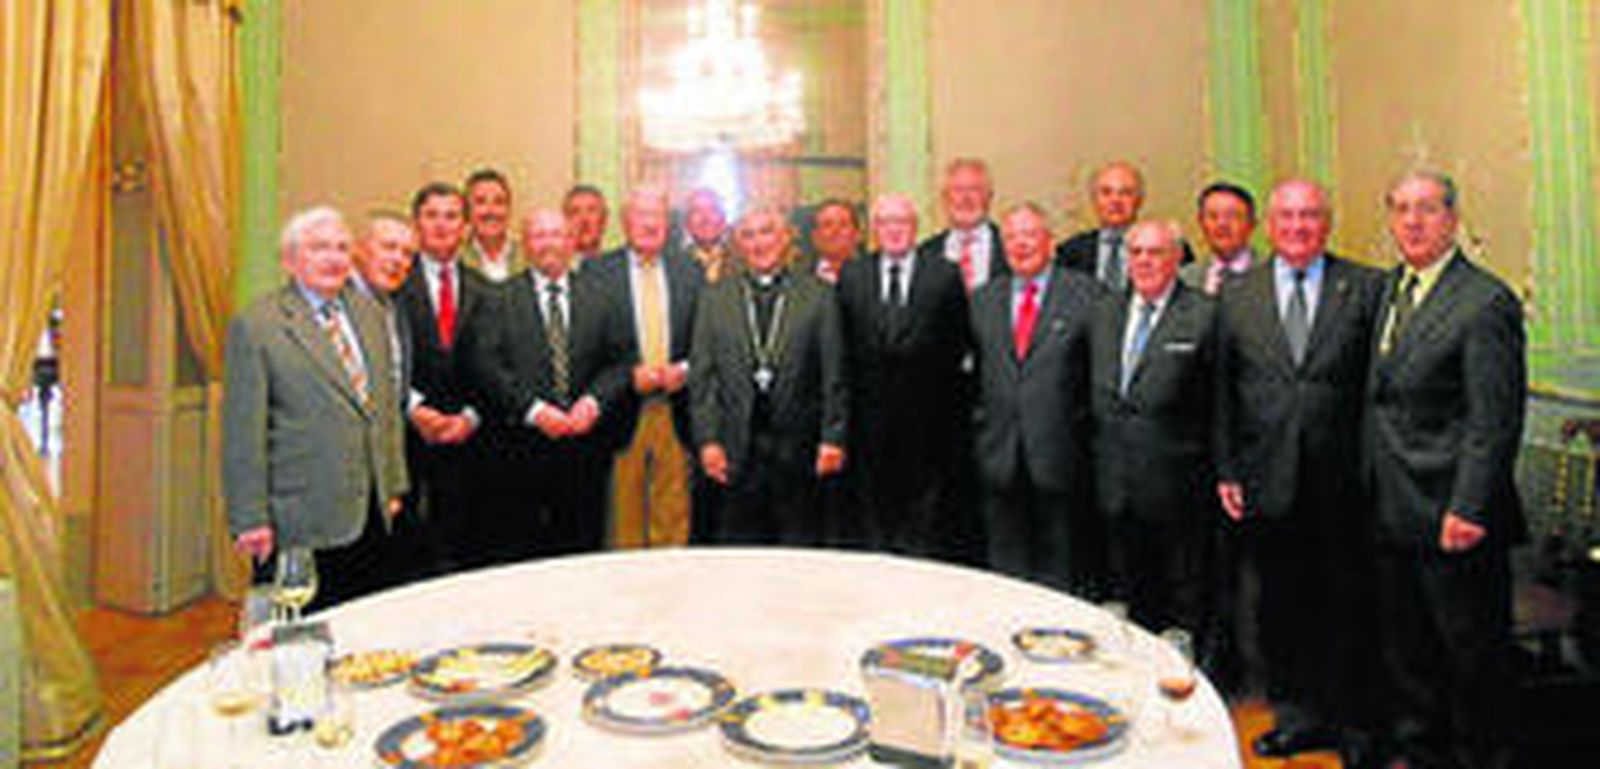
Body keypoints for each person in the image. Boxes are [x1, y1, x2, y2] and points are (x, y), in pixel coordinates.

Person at [1215, 179, 1384, 762]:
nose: (1297, 227)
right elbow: (1224, 390)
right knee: (1281, 609)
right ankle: (1297, 716)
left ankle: (1357, 726)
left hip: (1344, 482)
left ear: (1327, 223)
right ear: (1269, 226)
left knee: (1349, 606)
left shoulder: (1366, 288)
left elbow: (1377, 390)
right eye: (1286, 216)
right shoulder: (1238, 294)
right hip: (1267, 480)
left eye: (1309, 215)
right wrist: (1228, 469)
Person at [1363, 172, 1525, 769]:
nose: (1412, 221)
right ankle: (1422, 753)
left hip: (1453, 514)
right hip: (1391, 506)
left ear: (1453, 219)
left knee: (1471, 658)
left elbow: (1494, 418)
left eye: (1427, 209)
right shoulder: (1389, 288)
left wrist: (1470, 507)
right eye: (1401, 209)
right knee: (1409, 654)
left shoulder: (1485, 300)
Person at [223, 207, 407, 612]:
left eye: (342, 248)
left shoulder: (371, 315)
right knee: (303, 635)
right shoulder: (258, 326)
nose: (333, 258)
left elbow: (385, 410)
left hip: (371, 512)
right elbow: (242, 434)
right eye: (319, 248)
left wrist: (393, 484)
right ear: (289, 260)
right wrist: (249, 518)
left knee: (367, 628)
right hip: (299, 520)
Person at [465, 209, 631, 559]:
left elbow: (621, 361)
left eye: (557, 234)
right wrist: (534, 411)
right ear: (525, 244)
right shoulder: (498, 298)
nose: (549, 244)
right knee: (526, 551)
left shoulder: (601, 296)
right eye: (539, 236)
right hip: (521, 450)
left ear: (571, 242)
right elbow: (486, 366)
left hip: (586, 449)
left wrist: (594, 402)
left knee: (582, 548)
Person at [691, 204, 847, 545]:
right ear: (738, 244)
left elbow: (834, 374)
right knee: (740, 551)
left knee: (799, 549)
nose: (759, 243)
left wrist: (833, 438)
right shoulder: (715, 297)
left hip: (800, 448)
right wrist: (708, 441)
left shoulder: (819, 295)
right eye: (748, 235)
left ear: (786, 237)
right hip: (735, 449)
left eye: (767, 232)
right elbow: (703, 379)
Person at [1089, 220, 1217, 631]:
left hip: (1178, 486)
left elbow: (1221, 404)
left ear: (1177, 259)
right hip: (1113, 481)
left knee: (1183, 597)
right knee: (1126, 593)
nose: (1144, 261)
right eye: (1136, 252)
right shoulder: (1103, 311)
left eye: (1155, 252)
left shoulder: (1206, 315)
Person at [970, 203, 1095, 592]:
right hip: (998, 454)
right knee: (1005, 573)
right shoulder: (982, 300)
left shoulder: (1086, 295)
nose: (1020, 244)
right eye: (1011, 237)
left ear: (1051, 243)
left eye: (1030, 235)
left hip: (1061, 456)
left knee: (1061, 573)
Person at [837, 194, 968, 556]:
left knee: (923, 515)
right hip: (867, 421)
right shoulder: (853, 274)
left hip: (928, 422)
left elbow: (958, 344)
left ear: (915, 227)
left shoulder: (944, 274)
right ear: (874, 229)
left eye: (902, 222)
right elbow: (843, 346)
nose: (894, 230)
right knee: (872, 514)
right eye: (885, 222)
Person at [588, 187, 704, 548]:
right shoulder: (597, 272)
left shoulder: (690, 270)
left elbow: (706, 338)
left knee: (673, 519)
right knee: (623, 524)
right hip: (622, 413)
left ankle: (671, 585)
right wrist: (628, 378)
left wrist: (684, 370)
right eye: (642, 214)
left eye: (658, 215)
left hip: (676, 413)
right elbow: (588, 346)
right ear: (625, 222)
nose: (650, 223)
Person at [392, 182, 494, 572]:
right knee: (407, 552)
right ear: (416, 224)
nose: (441, 225)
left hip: (470, 441)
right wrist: (414, 409)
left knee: (463, 551)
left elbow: (496, 366)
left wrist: (470, 416)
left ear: (466, 228)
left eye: (451, 216)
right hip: (406, 437)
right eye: (431, 215)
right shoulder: (394, 286)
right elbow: (382, 359)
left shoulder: (486, 291)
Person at [917, 158, 1009, 293]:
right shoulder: (925, 254)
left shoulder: (1011, 247)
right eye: (958, 190)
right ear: (945, 198)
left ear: (989, 196)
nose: (966, 198)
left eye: (974, 189)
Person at [1056, 161, 1145, 294]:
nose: (1115, 200)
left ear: (1139, 200)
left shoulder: (1165, 250)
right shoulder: (1069, 253)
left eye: (1125, 193)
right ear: (1094, 199)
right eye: (1106, 193)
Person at [1181, 182, 1258, 295]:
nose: (1222, 224)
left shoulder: (1272, 278)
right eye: (1213, 216)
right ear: (1201, 223)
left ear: (1252, 224)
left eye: (1231, 216)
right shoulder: (1183, 280)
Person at [460, 168, 526, 282]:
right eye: (481, 202)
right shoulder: (454, 260)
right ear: (467, 210)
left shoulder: (530, 257)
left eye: (499, 202)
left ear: (509, 209)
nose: (491, 211)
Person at [805, 199, 863, 284]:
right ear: (815, 237)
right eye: (827, 225)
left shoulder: (875, 275)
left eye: (843, 224)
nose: (836, 230)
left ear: (857, 235)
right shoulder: (796, 280)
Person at [682, 187, 734, 283]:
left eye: (713, 210)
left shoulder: (742, 259)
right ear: (686, 223)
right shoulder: (675, 264)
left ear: (724, 221)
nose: (706, 218)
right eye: (697, 211)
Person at [564, 184, 611, 268]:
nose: (584, 219)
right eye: (575, 212)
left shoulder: (618, 268)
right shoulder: (557, 272)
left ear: (605, 220)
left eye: (591, 210)